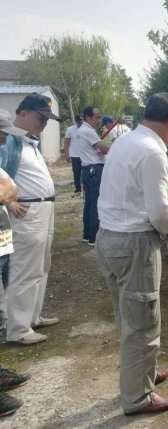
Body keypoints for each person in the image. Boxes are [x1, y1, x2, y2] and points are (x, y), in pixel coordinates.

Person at [96, 93, 168, 416]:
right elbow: (159, 212)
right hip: (134, 243)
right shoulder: (152, 152)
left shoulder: (125, 141)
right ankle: (138, 397)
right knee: (143, 322)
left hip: (108, 238)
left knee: (128, 314)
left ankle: (143, 371)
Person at [0, 94, 60, 345]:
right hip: (27, 212)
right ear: (23, 113)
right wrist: (9, 202)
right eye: (40, 118)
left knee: (41, 266)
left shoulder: (28, 142)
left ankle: (32, 316)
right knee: (24, 269)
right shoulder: (7, 142)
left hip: (43, 209)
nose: (44, 124)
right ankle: (18, 328)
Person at [0, 111, 32, 417]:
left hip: (1, 234)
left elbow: (10, 188)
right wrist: (4, 192)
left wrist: (5, 193)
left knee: (1, 295)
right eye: (1, 133)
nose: (4, 140)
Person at [75, 107, 109, 246]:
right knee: (95, 203)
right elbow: (104, 149)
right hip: (95, 169)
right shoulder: (88, 131)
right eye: (97, 117)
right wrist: (118, 145)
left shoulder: (81, 130)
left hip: (87, 169)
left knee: (89, 202)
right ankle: (94, 236)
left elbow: (95, 149)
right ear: (88, 117)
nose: (99, 120)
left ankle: (87, 234)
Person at [63, 116, 82, 194]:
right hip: (75, 155)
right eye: (79, 121)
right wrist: (66, 154)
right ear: (76, 121)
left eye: (82, 121)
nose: (80, 122)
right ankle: (78, 189)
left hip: (85, 155)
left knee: (86, 173)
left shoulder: (87, 129)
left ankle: (86, 189)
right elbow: (66, 143)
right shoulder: (70, 129)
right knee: (76, 173)